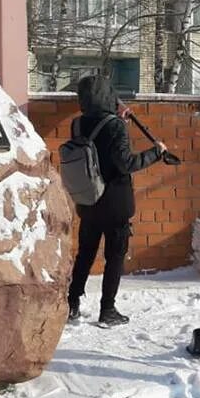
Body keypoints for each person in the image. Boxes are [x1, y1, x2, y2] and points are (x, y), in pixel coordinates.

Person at [66, 75, 166, 327]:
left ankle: (72, 304)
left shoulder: (78, 124)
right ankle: (107, 311)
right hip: (115, 203)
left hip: (88, 200)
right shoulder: (115, 126)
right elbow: (125, 163)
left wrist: (118, 124)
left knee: (85, 254)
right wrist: (157, 152)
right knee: (114, 256)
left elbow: (97, 147)